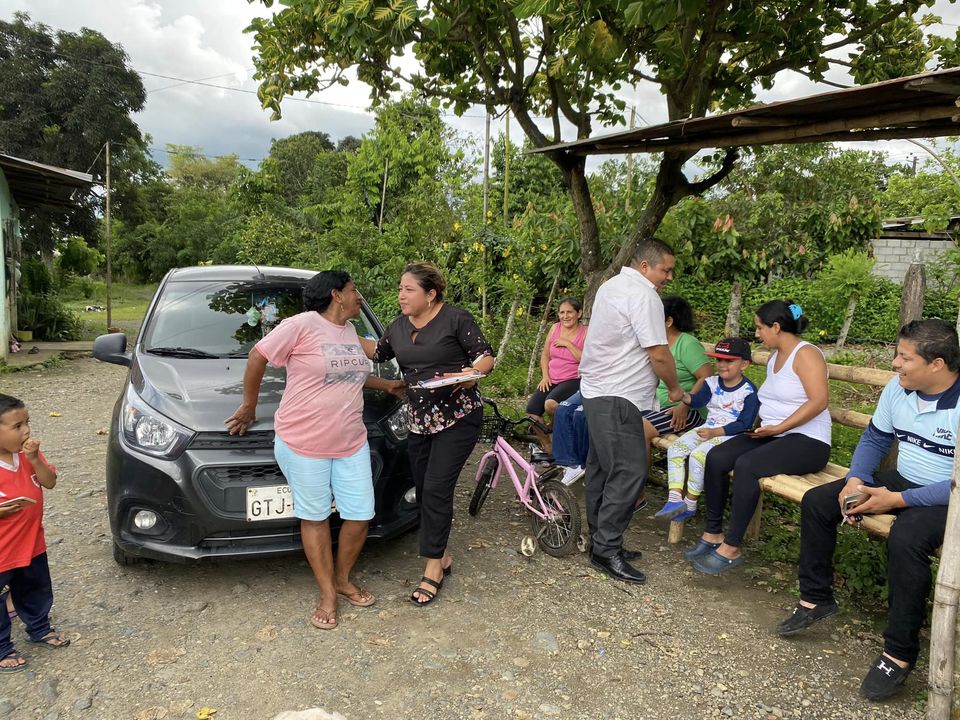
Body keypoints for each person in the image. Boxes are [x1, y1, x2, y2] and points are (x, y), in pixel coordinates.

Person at [775, 319, 960, 701]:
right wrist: (856, 480)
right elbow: (875, 437)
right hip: (904, 479)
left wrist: (896, 501)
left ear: (937, 364)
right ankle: (815, 599)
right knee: (819, 502)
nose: (894, 363)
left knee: (906, 540)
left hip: (949, 497)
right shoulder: (899, 388)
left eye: (904, 357)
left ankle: (899, 654)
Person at [225, 271, 403, 631]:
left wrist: (387, 384)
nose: (359, 296)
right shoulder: (300, 325)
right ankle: (326, 594)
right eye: (354, 290)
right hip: (304, 443)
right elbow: (258, 356)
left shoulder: (351, 332)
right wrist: (249, 405)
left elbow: (352, 371)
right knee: (315, 516)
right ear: (337, 294)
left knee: (360, 514)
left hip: (350, 441)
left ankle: (342, 579)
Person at [366, 263, 495, 606]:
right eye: (400, 288)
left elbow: (485, 358)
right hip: (419, 420)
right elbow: (377, 352)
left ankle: (433, 566)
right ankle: (443, 554)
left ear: (431, 294)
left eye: (409, 289)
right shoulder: (398, 327)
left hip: (458, 417)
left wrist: (472, 373)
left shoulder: (456, 319)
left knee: (437, 487)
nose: (401, 295)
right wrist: (336, 331)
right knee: (424, 488)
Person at [687, 300, 831, 575]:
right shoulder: (775, 357)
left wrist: (779, 428)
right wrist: (761, 428)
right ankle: (713, 533)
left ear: (776, 327)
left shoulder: (807, 354)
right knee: (716, 457)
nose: (756, 334)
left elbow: (819, 401)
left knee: (747, 465)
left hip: (808, 441)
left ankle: (732, 546)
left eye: (759, 328)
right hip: (773, 434)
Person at [578, 238, 684, 584]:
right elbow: (658, 353)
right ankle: (606, 549)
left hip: (597, 392)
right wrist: (675, 389)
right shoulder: (644, 295)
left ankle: (601, 541)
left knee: (601, 469)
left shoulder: (611, 286)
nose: (669, 277)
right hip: (618, 396)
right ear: (645, 266)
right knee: (629, 472)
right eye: (666, 270)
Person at [554, 296, 711, 491]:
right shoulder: (655, 344)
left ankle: (636, 491)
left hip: (686, 410)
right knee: (614, 419)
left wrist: (685, 405)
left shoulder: (686, 344)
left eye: (652, 317)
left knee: (639, 428)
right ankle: (607, 475)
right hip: (657, 404)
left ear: (668, 322)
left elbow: (707, 378)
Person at [0, 393, 69, 675]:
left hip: (32, 543)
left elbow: (49, 482)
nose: (26, 431)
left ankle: (39, 628)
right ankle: (2, 648)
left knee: (35, 588)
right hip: (2, 551)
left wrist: (34, 460)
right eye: (17, 426)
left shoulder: (28, 455)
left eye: (27, 423)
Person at [654, 338, 759, 522]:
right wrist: (683, 396)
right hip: (707, 427)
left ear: (744, 364)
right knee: (676, 448)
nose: (722, 365)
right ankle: (674, 499)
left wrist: (716, 432)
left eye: (729, 361)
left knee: (699, 455)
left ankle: (690, 503)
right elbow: (698, 401)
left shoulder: (748, 391)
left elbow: (745, 423)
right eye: (719, 360)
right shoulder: (712, 382)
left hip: (731, 435)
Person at [526, 296, 586, 453]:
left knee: (550, 404)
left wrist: (568, 344)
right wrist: (545, 376)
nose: (565, 316)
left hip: (573, 379)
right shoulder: (555, 328)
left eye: (569, 312)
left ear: (579, 313)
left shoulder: (585, 332)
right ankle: (548, 447)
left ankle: (564, 428)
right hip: (552, 378)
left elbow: (585, 359)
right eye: (562, 312)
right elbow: (545, 355)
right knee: (532, 413)